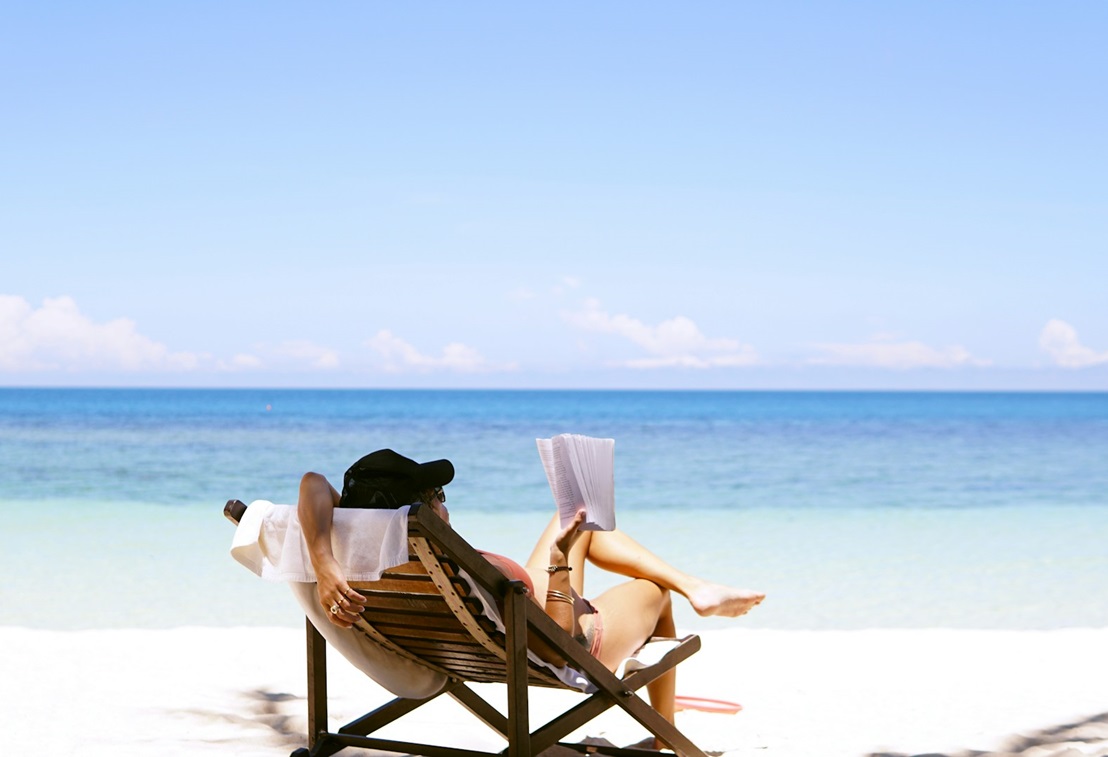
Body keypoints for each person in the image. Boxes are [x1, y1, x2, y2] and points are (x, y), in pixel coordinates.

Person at [297, 449, 765, 735]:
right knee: (654, 592)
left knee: (576, 519)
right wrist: (559, 563)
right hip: (560, 642)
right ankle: (667, 728)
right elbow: (561, 646)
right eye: (436, 492)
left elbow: (313, 482)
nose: (442, 500)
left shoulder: (352, 545)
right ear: (419, 509)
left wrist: (323, 562)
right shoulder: (456, 560)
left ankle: (697, 588)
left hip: (487, 623)